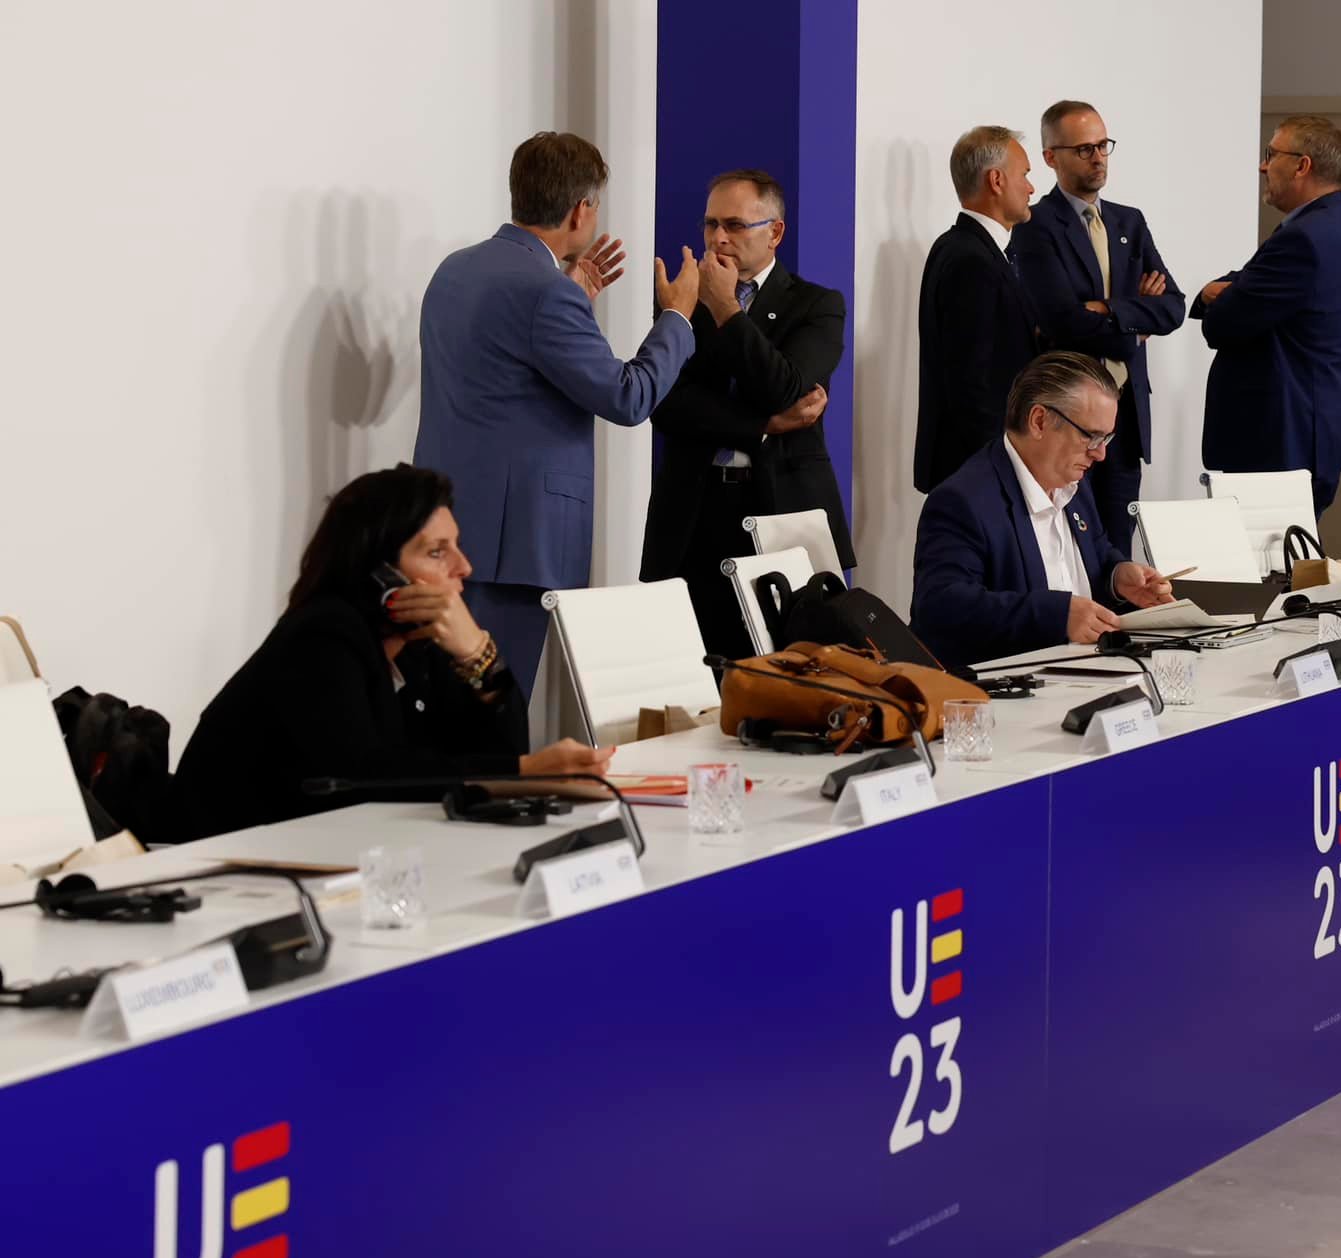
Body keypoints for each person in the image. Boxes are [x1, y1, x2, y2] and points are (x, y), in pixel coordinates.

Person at [415, 131, 723, 694]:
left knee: (445, 710)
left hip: (446, 528)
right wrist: (677, 319)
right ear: (582, 210)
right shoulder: (544, 292)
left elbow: (505, 369)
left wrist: (573, 297)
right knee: (492, 715)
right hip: (517, 544)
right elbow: (628, 397)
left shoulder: (453, 270)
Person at [171, 467, 612, 842]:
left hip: (326, 850)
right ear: (380, 573)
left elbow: (501, 747)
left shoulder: (421, 644)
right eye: (438, 552)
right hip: (223, 861)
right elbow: (361, 776)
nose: (464, 568)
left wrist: (480, 656)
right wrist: (524, 770)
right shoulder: (322, 636)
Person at [641, 169, 851, 660]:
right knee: (694, 671)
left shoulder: (818, 305)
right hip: (693, 509)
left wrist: (727, 312)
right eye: (711, 224)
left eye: (734, 225)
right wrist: (762, 424)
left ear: (774, 232)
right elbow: (666, 403)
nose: (719, 238)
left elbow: (785, 387)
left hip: (780, 504)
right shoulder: (682, 301)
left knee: (787, 670)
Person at [910, 352, 1175, 671]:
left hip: (1085, 674)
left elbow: (1096, 550)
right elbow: (941, 607)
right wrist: (1057, 615)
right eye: (1091, 436)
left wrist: (1118, 576)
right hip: (1006, 693)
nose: (1101, 454)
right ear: (1039, 421)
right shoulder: (962, 500)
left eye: (1107, 438)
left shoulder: (1074, 483)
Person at [1011, 100, 1186, 555]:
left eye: (1104, 145)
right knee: (1070, 548)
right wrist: (1134, 316)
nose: (1098, 157)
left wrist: (1107, 309)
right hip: (1068, 418)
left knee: (1119, 552)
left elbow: (1172, 308)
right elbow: (1060, 321)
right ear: (1052, 157)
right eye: (1084, 148)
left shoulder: (1129, 221)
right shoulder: (1036, 226)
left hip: (1126, 417)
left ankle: (1116, 627)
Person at [1192, 115, 1341, 518]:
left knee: (1269, 574)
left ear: (1302, 165)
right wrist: (1225, 292)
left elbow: (1223, 324)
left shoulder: (1302, 238)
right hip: (1306, 432)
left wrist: (1215, 298)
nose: (1262, 165)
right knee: (1292, 565)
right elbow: (1246, 285)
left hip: (1277, 440)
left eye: (1271, 154)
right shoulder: (1339, 227)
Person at [913, 125, 1042, 494]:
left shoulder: (963, 247)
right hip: (978, 470)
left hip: (973, 464)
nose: (1032, 188)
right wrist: (1002, 468)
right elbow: (971, 382)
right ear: (997, 180)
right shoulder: (972, 259)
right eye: (1026, 175)